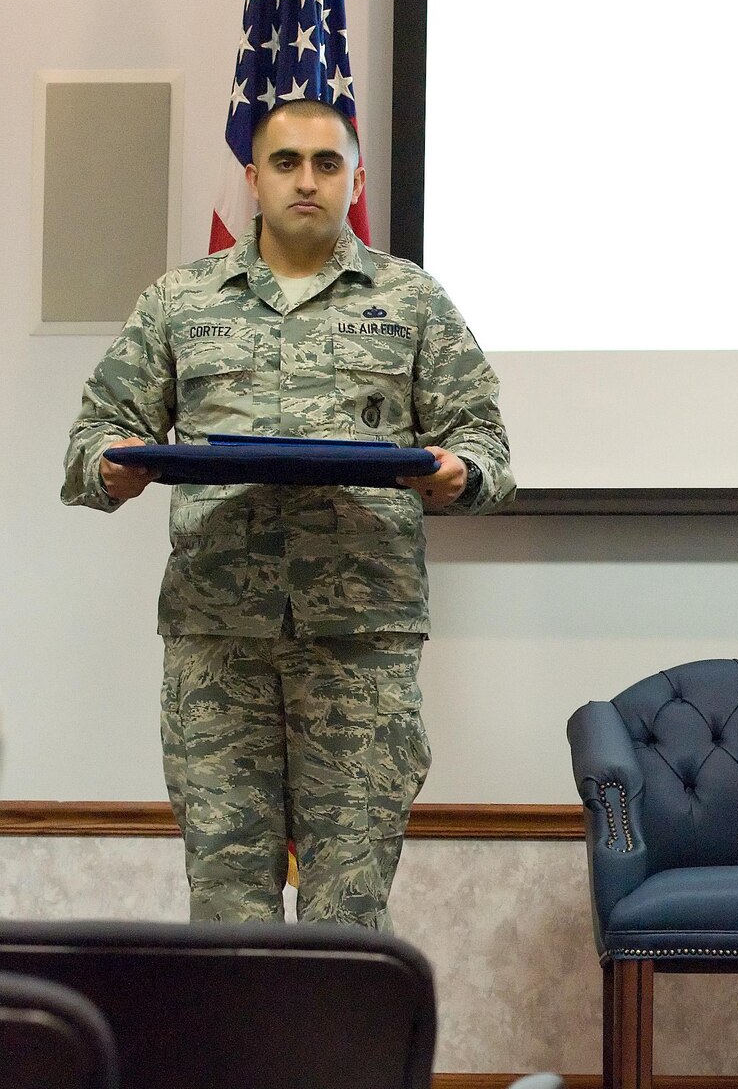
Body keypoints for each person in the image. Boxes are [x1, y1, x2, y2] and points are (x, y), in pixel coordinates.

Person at [61, 99, 514, 929]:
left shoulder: (412, 302)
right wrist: (111, 469)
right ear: (253, 178)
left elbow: (485, 444)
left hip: (360, 645)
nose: (307, 180)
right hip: (217, 641)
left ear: (357, 178)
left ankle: (343, 1067)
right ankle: (242, 1067)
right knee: (229, 907)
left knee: (349, 909)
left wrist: (460, 474)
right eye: (285, 162)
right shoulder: (180, 300)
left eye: (327, 163)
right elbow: (94, 435)